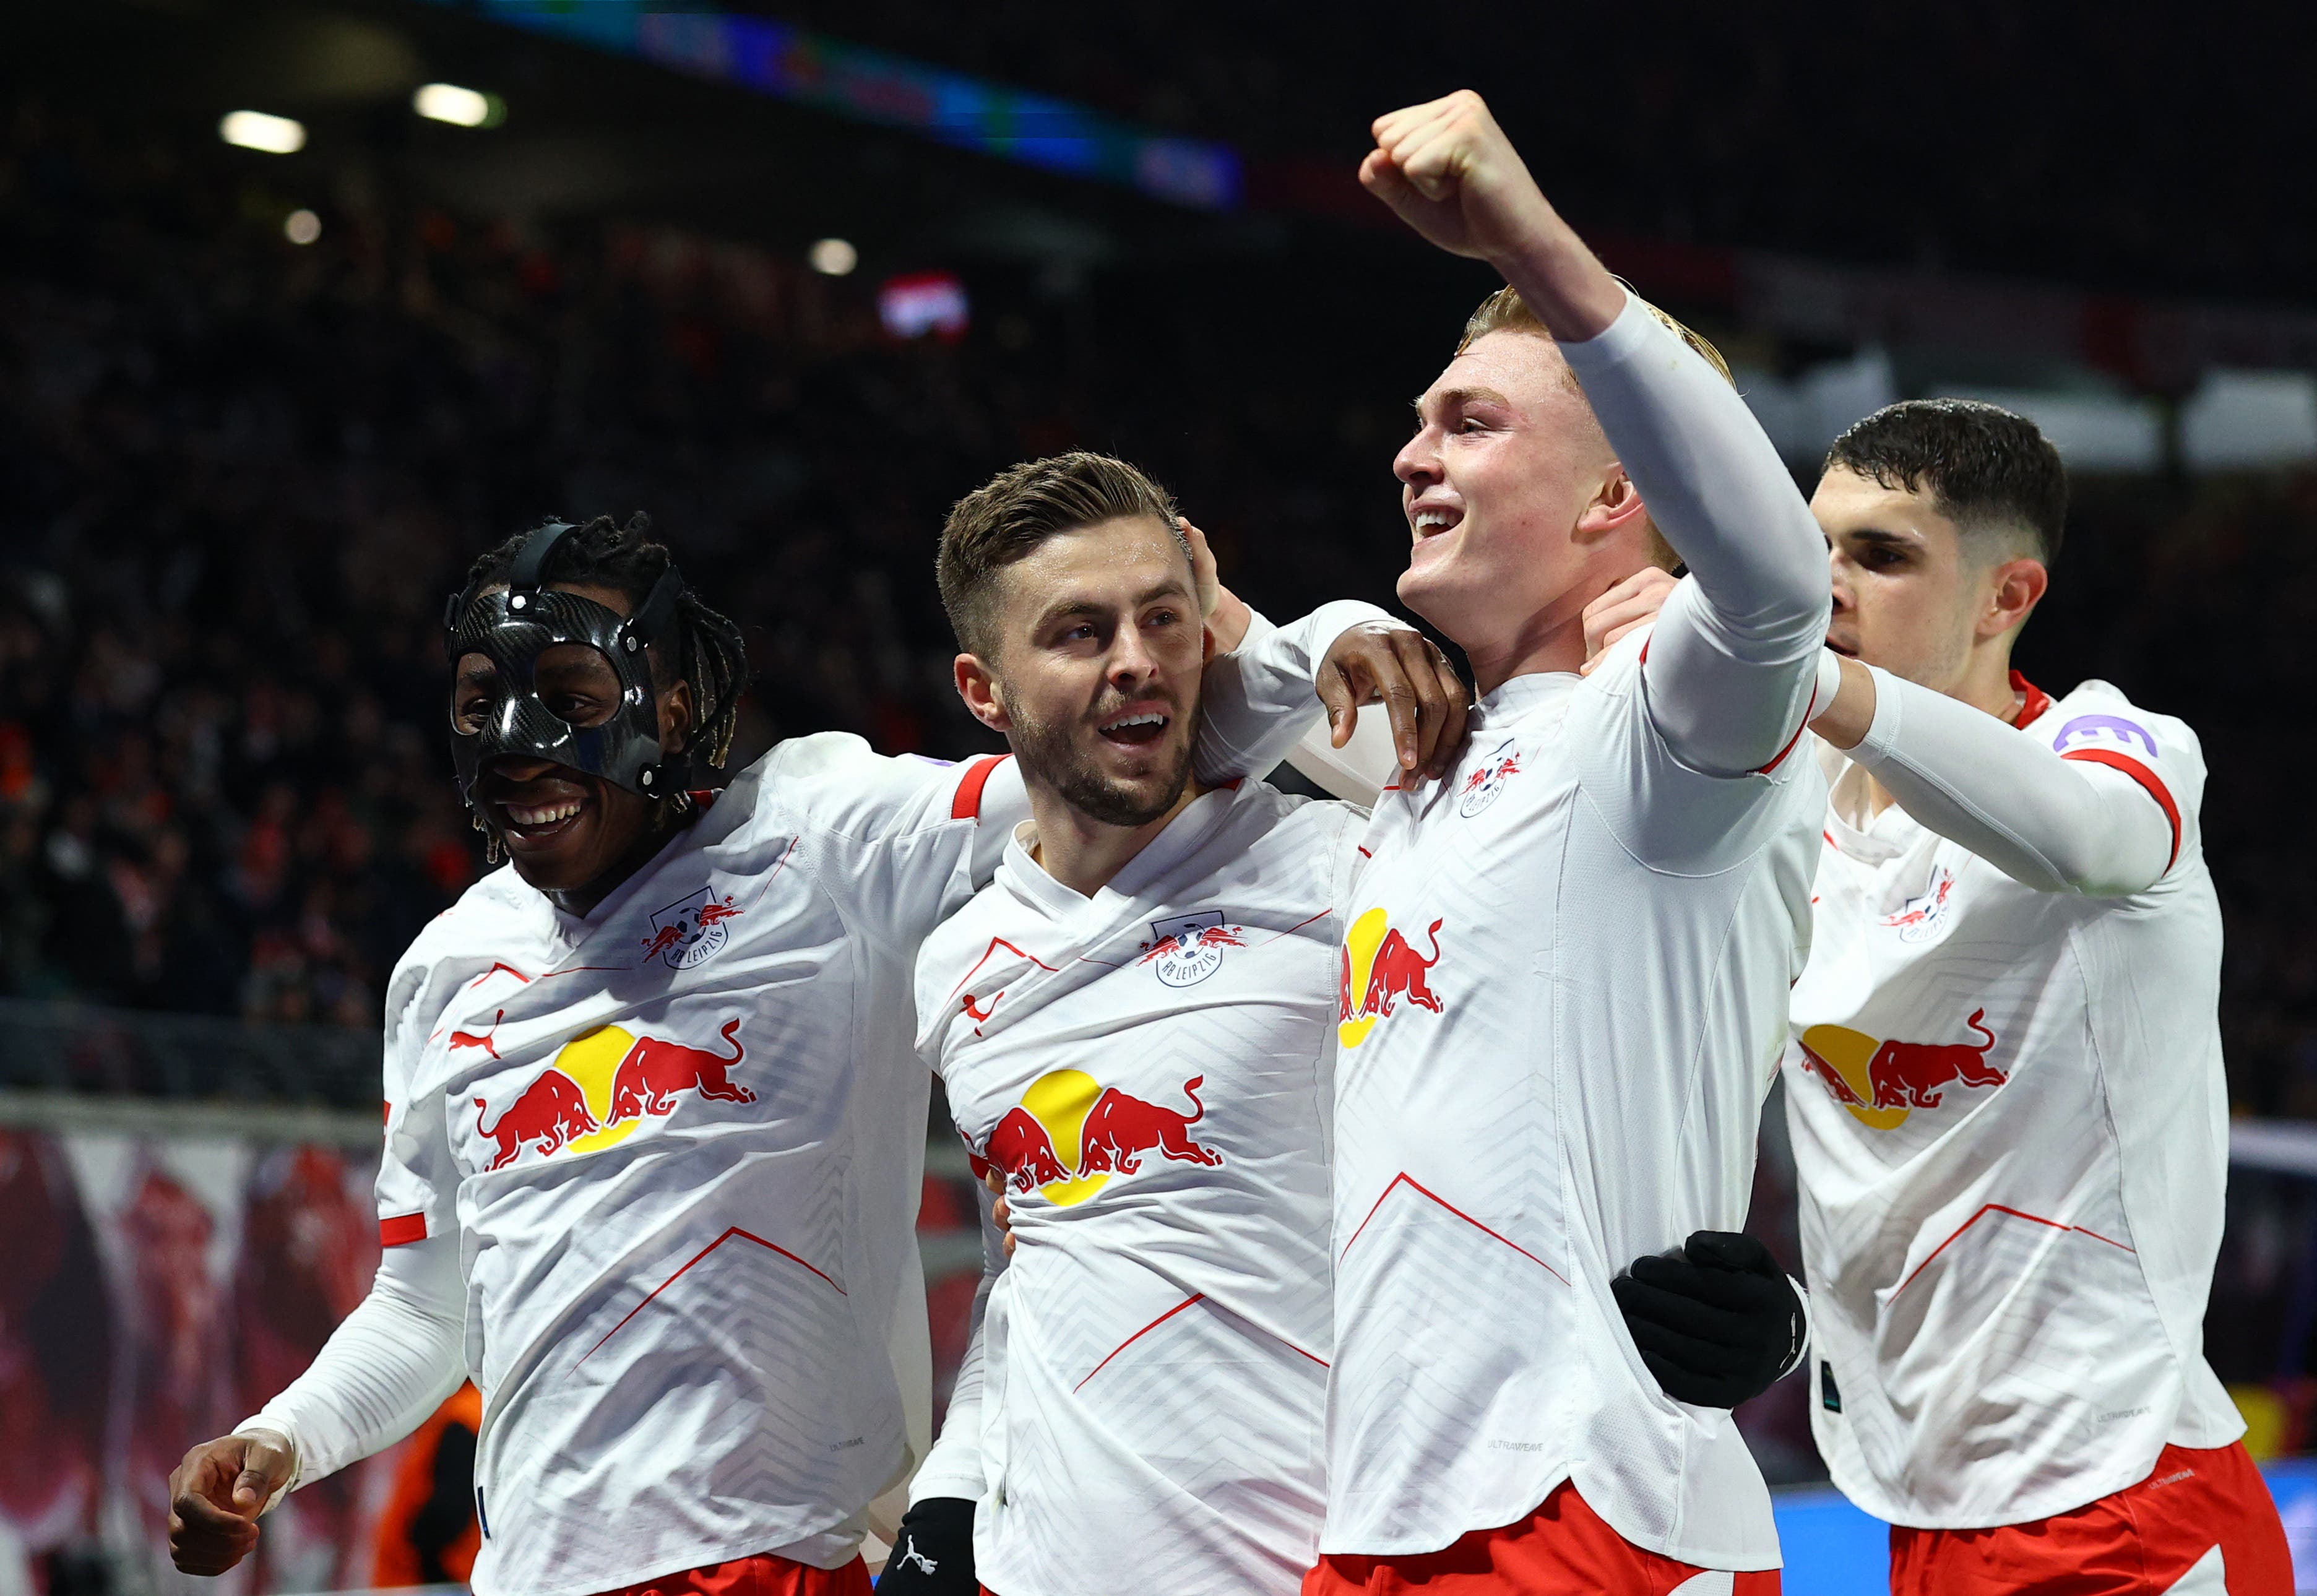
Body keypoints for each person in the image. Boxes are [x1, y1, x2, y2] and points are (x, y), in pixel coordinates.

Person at [162, 512, 1464, 1596]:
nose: (518, 745)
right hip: (530, 1570)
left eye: (566, 700)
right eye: (480, 704)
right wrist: (283, 1438)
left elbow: (1111, 753)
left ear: (671, 707)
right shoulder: (442, 968)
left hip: (788, 1562)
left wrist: (1313, 643)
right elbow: (423, 1308)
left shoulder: (827, 835)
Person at [1282, 90, 1826, 1594]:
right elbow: (1199, 679)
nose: (1411, 454)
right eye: (1414, 422)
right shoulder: (1414, 773)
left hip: (1588, 1510)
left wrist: (1530, 231)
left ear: (1614, 494)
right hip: (1377, 1516)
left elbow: (1778, 579)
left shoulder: (1660, 732)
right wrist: (1331, 634)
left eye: (1469, 422)